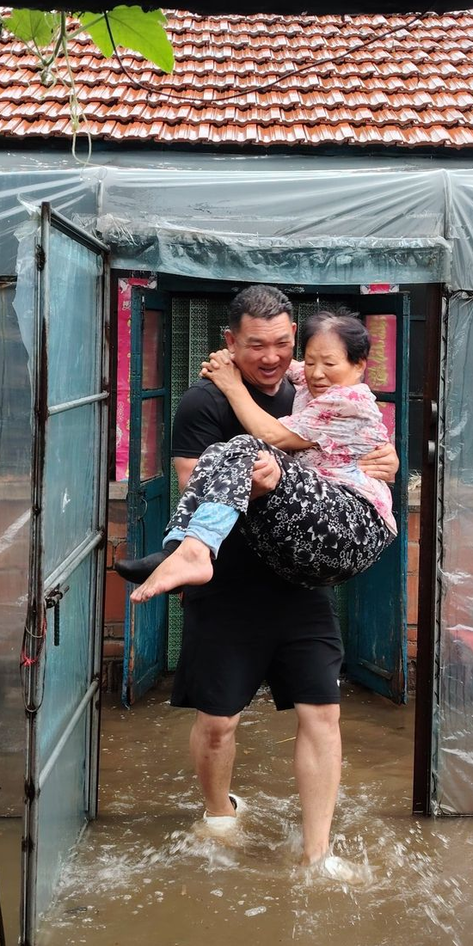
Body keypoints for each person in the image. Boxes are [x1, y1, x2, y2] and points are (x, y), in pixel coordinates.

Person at [133, 285, 397, 878]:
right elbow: (191, 481)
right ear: (230, 342)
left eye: (283, 343)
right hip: (230, 584)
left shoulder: (317, 388)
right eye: (257, 345)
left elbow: (358, 432)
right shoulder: (204, 399)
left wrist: (389, 456)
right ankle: (219, 816)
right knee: (218, 721)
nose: (274, 357)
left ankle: (317, 853)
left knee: (322, 713)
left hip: (299, 584)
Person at [124, 307, 397, 601]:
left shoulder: (348, 399)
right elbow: (282, 364)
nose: (317, 372)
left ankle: (194, 552)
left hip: (355, 526)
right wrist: (231, 356)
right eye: (311, 361)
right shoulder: (313, 381)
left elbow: (271, 435)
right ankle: (176, 549)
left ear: (359, 365)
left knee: (248, 447)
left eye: (329, 363)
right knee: (218, 453)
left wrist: (231, 384)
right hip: (305, 546)